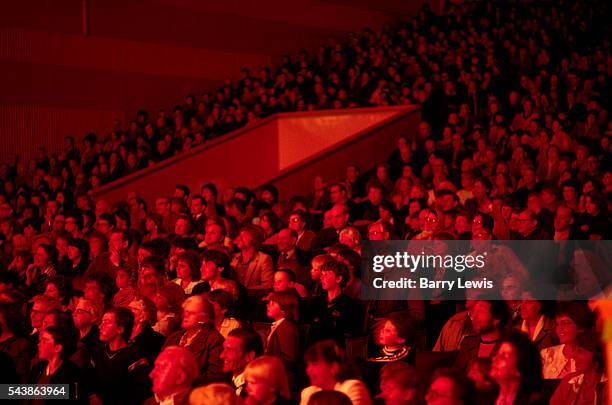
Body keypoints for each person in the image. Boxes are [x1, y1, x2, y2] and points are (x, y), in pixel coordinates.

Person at [90, 307, 152, 405]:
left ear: (120, 329)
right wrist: (93, 395)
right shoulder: (98, 350)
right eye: (102, 322)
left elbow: (143, 392)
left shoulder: (134, 357)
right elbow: (89, 378)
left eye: (106, 322)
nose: (100, 326)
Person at [164, 295, 225, 385]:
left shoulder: (214, 340)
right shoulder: (174, 337)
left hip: (197, 393)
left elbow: (216, 377)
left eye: (191, 313)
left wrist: (183, 380)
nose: (185, 316)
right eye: (185, 312)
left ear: (205, 318)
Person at [301, 340, 371, 405]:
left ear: (333, 367)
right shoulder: (308, 393)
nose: (308, 370)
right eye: (308, 365)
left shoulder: (352, 388)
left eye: (314, 364)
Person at [550, 331, 607, 405]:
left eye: (580, 351)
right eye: (575, 350)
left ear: (597, 354)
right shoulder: (569, 380)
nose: (573, 356)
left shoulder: (608, 387)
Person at [489, 331, 546, 405]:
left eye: (504, 356)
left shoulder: (534, 402)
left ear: (521, 366)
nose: (494, 359)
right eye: (497, 354)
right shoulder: (487, 397)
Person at [541, 301, 595, 379]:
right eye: (558, 324)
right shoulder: (547, 354)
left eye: (565, 323)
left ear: (580, 326)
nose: (559, 329)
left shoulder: (591, 356)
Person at [454, 298, 509, 371]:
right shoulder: (468, 343)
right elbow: (457, 372)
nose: (474, 317)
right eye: (474, 311)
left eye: (480, 311)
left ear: (496, 318)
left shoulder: (508, 348)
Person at [220, 327, 264, 397]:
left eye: (230, 350)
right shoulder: (223, 381)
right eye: (224, 349)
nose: (222, 355)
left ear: (249, 356)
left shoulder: (258, 394)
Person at [265, 291, 301, 370]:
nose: (268, 305)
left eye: (273, 304)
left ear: (283, 309)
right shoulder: (281, 325)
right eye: (269, 303)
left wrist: (265, 361)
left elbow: (289, 358)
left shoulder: (286, 327)